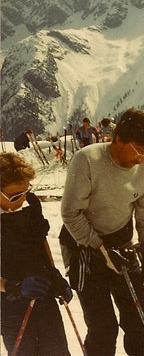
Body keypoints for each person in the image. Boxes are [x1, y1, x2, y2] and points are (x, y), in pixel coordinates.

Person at [59, 108, 144, 356]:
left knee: (139, 322)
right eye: (138, 150)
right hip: (84, 246)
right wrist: (100, 249)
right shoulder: (88, 160)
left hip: (121, 243)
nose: (141, 159)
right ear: (118, 139)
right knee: (103, 327)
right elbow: (71, 213)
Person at [1, 152, 72, 356]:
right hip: (10, 301)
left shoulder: (30, 204)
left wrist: (53, 273)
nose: (22, 199)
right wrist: (14, 287)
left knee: (57, 350)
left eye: (25, 191)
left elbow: (40, 241)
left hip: (42, 290)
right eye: (15, 196)